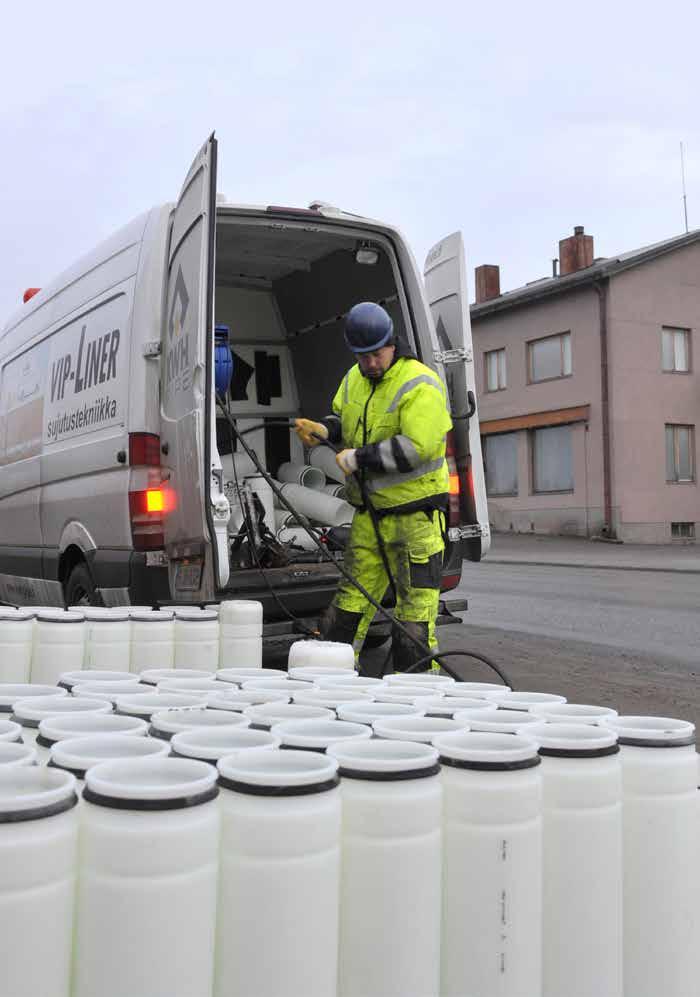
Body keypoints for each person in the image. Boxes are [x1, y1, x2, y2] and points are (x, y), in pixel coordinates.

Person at [294, 301, 452, 671]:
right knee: (348, 607)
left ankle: (413, 700)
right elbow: (342, 418)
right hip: (370, 517)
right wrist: (324, 430)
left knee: (414, 621)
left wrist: (359, 458)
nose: (370, 364)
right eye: (362, 357)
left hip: (417, 521)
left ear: (391, 344)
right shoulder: (354, 378)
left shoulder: (420, 383)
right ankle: (329, 684)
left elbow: (419, 447)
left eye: (376, 355)